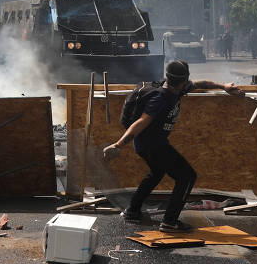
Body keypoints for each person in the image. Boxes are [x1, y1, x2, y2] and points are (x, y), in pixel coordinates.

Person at [103, 60, 244, 232]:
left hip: (149, 144)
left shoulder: (177, 87)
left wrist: (223, 86)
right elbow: (141, 122)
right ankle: (170, 221)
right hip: (152, 145)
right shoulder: (160, 97)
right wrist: (118, 145)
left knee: (157, 173)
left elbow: (201, 84)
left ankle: (132, 211)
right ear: (184, 80)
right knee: (187, 176)